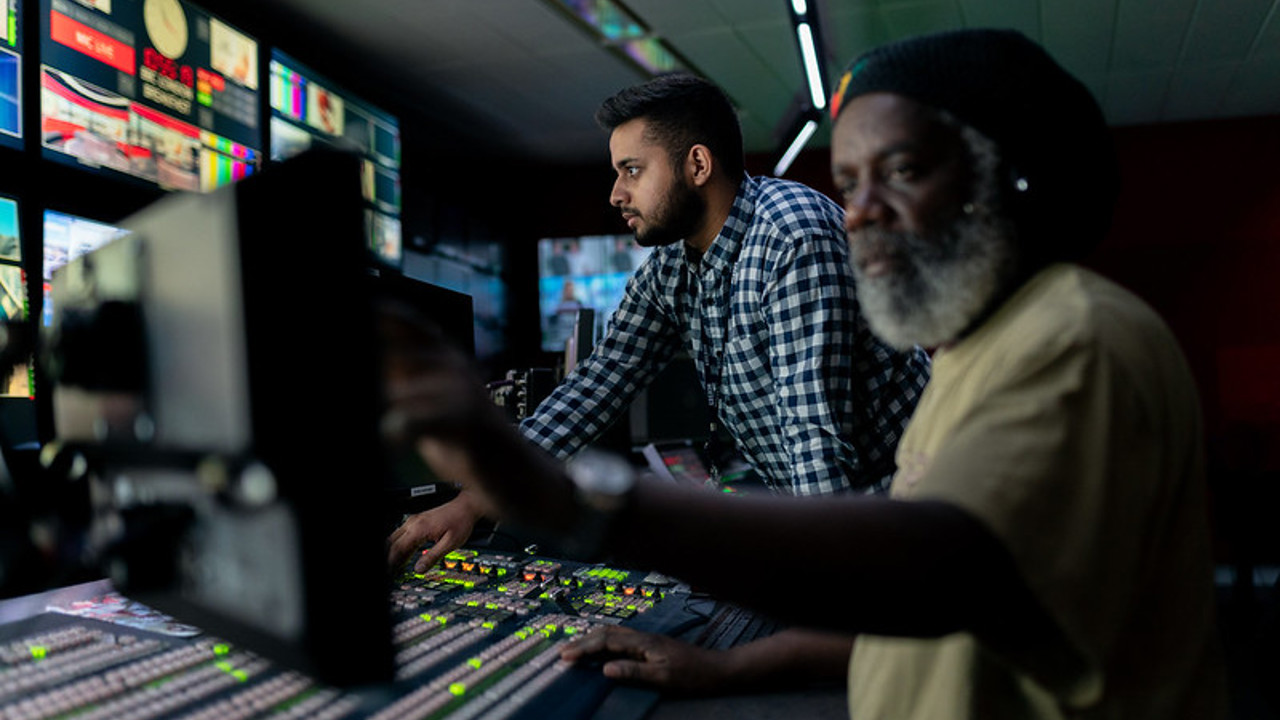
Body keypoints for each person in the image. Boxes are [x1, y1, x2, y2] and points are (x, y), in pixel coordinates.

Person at [382, 28, 1227, 718]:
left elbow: (916, 548)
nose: (855, 213)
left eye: (897, 173)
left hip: (850, 550)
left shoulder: (1071, 336)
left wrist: (578, 501)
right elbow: (602, 380)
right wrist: (479, 494)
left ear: (1012, 175)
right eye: (849, 180)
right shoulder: (978, 351)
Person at [388, 72, 929, 573]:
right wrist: (472, 502)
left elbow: (817, 443)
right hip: (836, 522)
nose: (615, 194)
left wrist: (824, 602)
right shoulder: (674, 266)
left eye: (632, 170)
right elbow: (597, 384)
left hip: (903, 516)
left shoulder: (791, 238)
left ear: (697, 165)